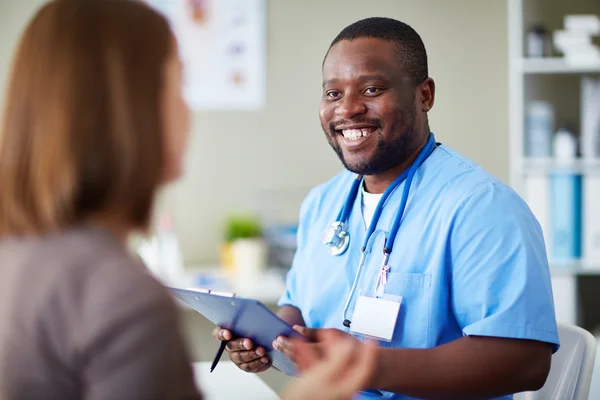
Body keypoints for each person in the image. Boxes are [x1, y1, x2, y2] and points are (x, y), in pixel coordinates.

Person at [0, 1, 376, 399]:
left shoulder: (17, 255)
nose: (187, 108)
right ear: (131, 109)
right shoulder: (122, 298)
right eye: (179, 85)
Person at [214, 17, 560, 400]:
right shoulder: (321, 203)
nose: (347, 109)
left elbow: (525, 361)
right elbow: (298, 307)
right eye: (332, 93)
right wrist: (268, 339)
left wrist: (365, 366)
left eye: (372, 89)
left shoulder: (484, 209)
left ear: (424, 95)